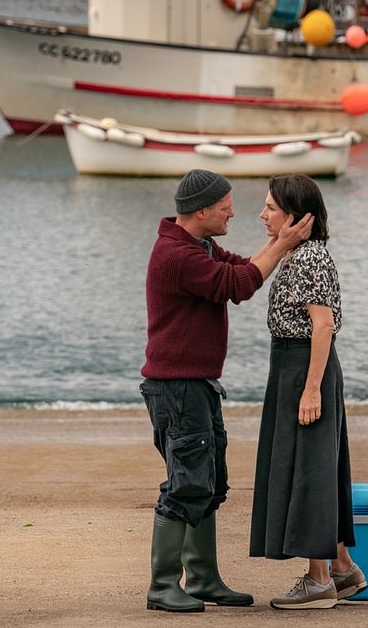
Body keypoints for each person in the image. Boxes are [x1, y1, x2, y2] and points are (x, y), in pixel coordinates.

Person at [141, 169, 313, 613]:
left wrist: (279, 244)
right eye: (225, 207)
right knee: (187, 482)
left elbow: (239, 266)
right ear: (201, 210)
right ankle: (163, 586)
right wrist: (285, 245)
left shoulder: (198, 244)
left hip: (196, 384)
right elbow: (237, 286)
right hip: (177, 388)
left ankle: (201, 578)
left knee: (210, 481)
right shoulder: (177, 256)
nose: (233, 213)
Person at [249, 174, 367, 610]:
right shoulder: (297, 253)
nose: (262, 215)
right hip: (292, 368)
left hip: (304, 368)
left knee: (310, 471)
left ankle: (319, 581)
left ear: (296, 216)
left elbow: (323, 325)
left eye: (271, 208)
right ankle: (342, 569)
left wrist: (312, 389)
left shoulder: (311, 257)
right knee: (313, 465)